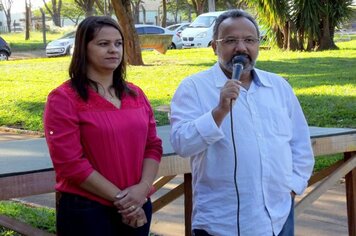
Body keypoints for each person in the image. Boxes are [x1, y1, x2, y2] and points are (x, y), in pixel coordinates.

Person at [170, 10, 314, 236]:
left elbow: (300, 143)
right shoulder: (193, 88)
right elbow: (182, 144)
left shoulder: (278, 87)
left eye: (249, 40)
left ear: (258, 45)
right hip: (221, 223)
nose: (241, 48)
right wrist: (219, 112)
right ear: (214, 47)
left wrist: (293, 187)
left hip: (278, 216)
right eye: (230, 41)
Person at [43, 16, 162, 236]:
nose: (113, 50)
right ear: (83, 49)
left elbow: (152, 146)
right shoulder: (64, 99)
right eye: (103, 44)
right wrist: (126, 201)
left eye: (118, 43)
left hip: (137, 204)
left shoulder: (136, 94)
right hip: (87, 212)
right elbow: (70, 164)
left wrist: (142, 190)